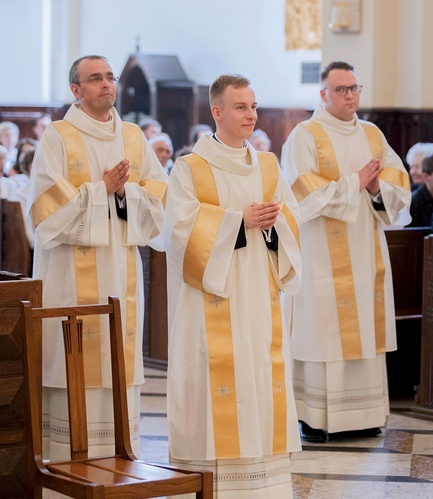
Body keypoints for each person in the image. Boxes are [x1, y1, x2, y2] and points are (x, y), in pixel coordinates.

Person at [165, 73, 302, 496]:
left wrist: (274, 225)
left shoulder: (268, 164)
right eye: (241, 107)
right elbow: (179, 233)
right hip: (214, 301)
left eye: (254, 106)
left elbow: (292, 221)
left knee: (260, 376)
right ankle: (216, 486)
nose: (252, 114)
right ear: (217, 111)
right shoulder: (190, 168)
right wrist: (238, 221)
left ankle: (265, 485)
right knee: (219, 383)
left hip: (260, 296)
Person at [27, 54, 167, 460]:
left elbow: (160, 197)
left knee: (116, 364)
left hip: (120, 269)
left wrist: (126, 193)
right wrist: (100, 189)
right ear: (76, 90)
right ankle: (68, 463)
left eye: (110, 77)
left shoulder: (134, 136)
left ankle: (120, 459)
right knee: (75, 363)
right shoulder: (58, 136)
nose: (106, 84)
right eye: (95, 79)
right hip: (70, 275)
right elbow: (44, 212)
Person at [281, 61, 411, 442]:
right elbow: (299, 192)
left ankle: (364, 416)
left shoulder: (372, 135)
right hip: (321, 253)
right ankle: (318, 418)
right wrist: (355, 183)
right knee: (321, 333)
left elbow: (397, 183)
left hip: (365, 250)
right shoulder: (304, 135)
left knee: (365, 334)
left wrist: (373, 190)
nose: (350, 95)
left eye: (354, 88)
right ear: (323, 94)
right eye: (340, 89)